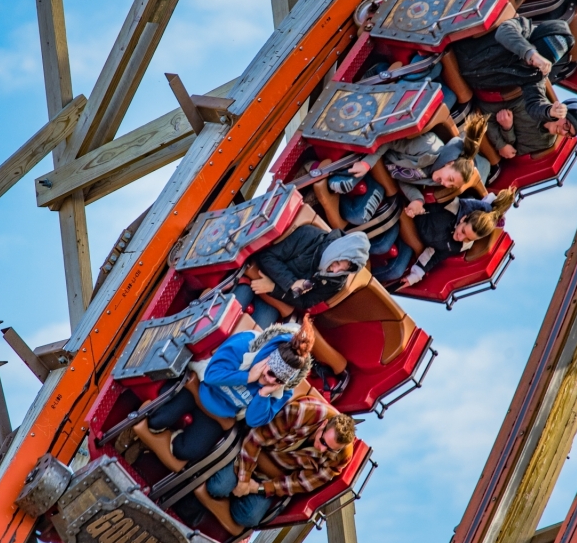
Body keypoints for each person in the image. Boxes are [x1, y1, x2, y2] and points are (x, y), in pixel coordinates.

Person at [133, 320, 315, 465]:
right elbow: (212, 375)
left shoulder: (282, 391)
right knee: (156, 421)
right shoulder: (246, 344)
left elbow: (254, 420)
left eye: (279, 380)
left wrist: (263, 394)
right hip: (199, 388)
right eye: (270, 373)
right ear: (266, 359)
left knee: (186, 452)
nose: (271, 380)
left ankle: (161, 442)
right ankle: (139, 434)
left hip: (219, 414)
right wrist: (248, 377)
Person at [197, 396, 357, 531]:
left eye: (329, 449)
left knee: (249, 518)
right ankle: (209, 492)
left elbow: (301, 484)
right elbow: (256, 438)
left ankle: (225, 501)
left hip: (271, 477)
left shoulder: (341, 456)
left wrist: (257, 488)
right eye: (322, 441)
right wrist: (244, 478)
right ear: (323, 425)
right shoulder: (302, 412)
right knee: (218, 486)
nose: (322, 449)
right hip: (252, 453)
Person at [328, 113, 489, 217]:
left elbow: (405, 179)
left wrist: (417, 200)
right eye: (451, 179)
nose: (445, 184)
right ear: (450, 163)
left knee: (358, 215)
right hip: (378, 148)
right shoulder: (428, 147)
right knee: (347, 181)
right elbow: (388, 140)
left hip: (385, 170)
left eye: (451, 185)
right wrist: (366, 164)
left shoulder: (436, 176)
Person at [240, 226, 370, 315]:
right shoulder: (309, 235)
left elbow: (305, 302)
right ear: (336, 249)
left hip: (277, 297)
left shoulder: (336, 281)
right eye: (337, 262)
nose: (335, 271)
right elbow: (267, 257)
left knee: (259, 329)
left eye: (342, 270)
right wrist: (291, 283)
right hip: (253, 275)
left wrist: (273, 288)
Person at [400, 189, 516, 287]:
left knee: (396, 270)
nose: (460, 238)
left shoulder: (459, 246)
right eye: (463, 231)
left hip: (410, 239)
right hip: (408, 213)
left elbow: (434, 256)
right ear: (463, 219)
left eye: (468, 239)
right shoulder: (452, 206)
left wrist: (414, 277)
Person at [487, 98, 577, 158]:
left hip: (488, 151)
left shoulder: (546, 143)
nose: (563, 132)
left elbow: (511, 151)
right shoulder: (532, 103)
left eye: (568, 134)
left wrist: (507, 128)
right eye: (567, 126)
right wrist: (500, 144)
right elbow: (486, 111)